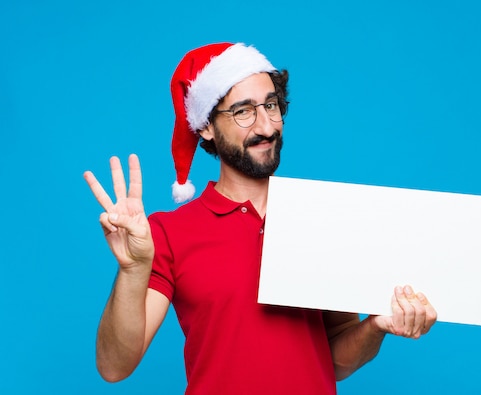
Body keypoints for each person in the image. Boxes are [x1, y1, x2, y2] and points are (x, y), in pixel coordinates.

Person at [84, 42, 437, 394]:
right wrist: (132, 270)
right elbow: (115, 367)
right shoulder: (169, 233)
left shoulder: (321, 219)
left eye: (271, 106)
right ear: (206, 126)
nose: (266, 126)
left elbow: (336, 359)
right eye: (243, 111)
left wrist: (375, 327)